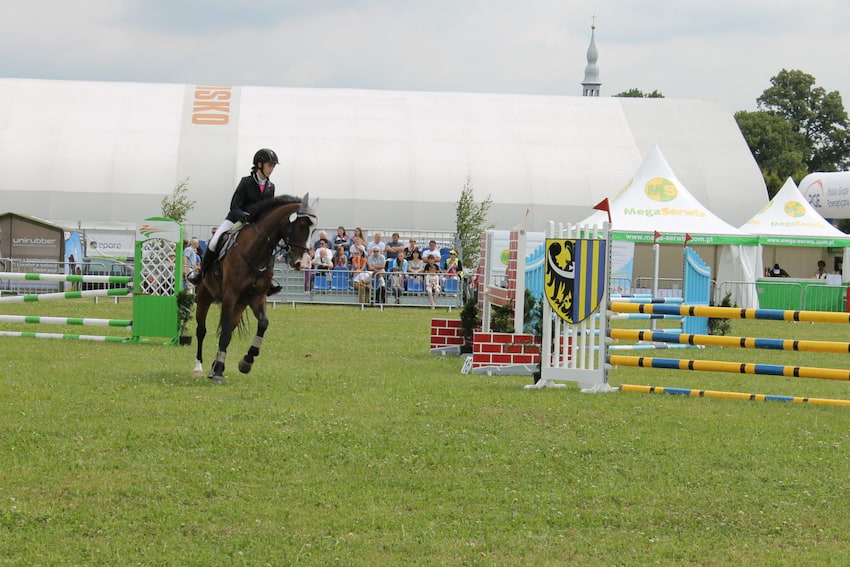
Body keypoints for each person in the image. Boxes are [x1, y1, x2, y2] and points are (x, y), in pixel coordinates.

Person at [187, 148, 278, 285]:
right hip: (236, 219)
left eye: (273, 166)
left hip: (256, 225)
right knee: (214, 241)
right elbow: (234, 206)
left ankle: (267, 280)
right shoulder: (246, 182)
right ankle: (201, 273)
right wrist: (245, 216)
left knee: (270, 246)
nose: (272, 169)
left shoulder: (271, 187)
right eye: (270, 165)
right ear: (260, 164)